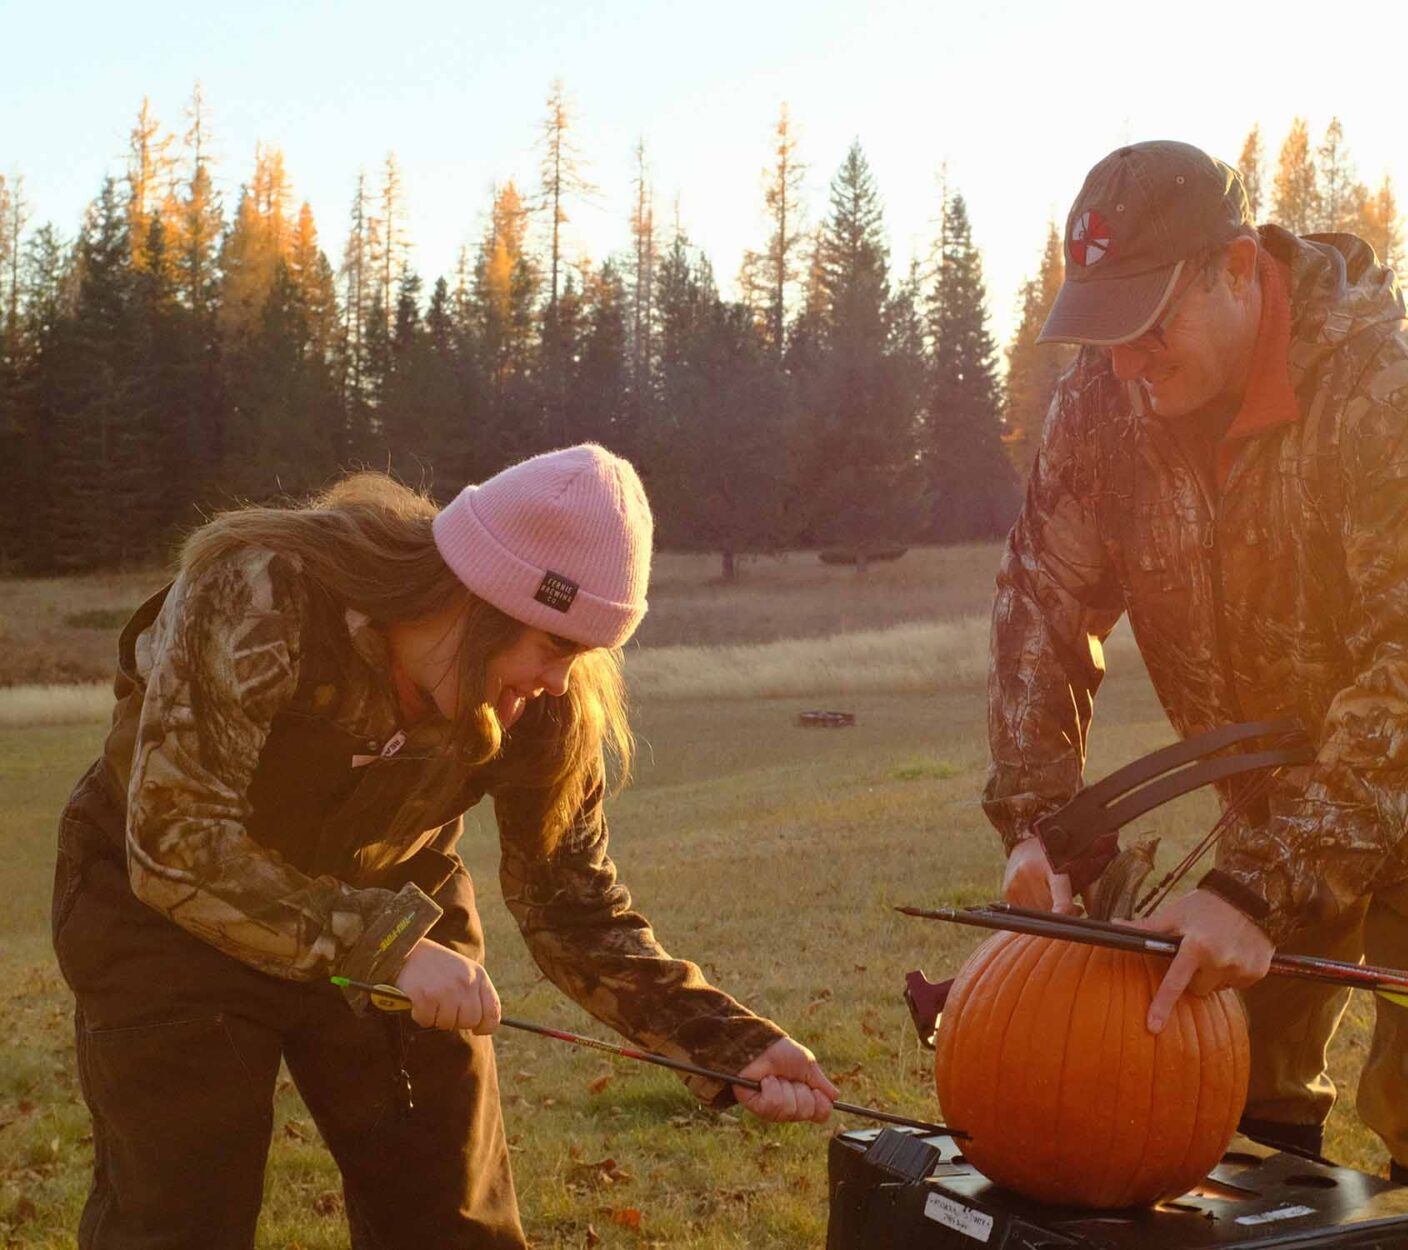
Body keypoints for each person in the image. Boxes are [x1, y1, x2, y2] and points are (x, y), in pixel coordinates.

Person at [986, 141, 1408, 1250]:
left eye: (1151, 325)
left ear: (1238, 269)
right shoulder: (1101, 409)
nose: (1127, 365)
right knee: (1231, 1070)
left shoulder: (1387, 385)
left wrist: (1252, 891)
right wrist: (1038, 826)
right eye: (1103, 334)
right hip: (1268, 782)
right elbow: (1040, 605)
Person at [52, 444, 839, 1249]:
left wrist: (728, 1044)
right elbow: (177, 843)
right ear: (483, 600)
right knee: (178, 1218)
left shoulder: (546, 709)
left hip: (396, 907)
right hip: (168, 923)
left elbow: (574, 910)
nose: (561, 682)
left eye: (584, 655)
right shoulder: (265, 589)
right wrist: (385, 948)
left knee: (451, 1221)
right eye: (555, 646)